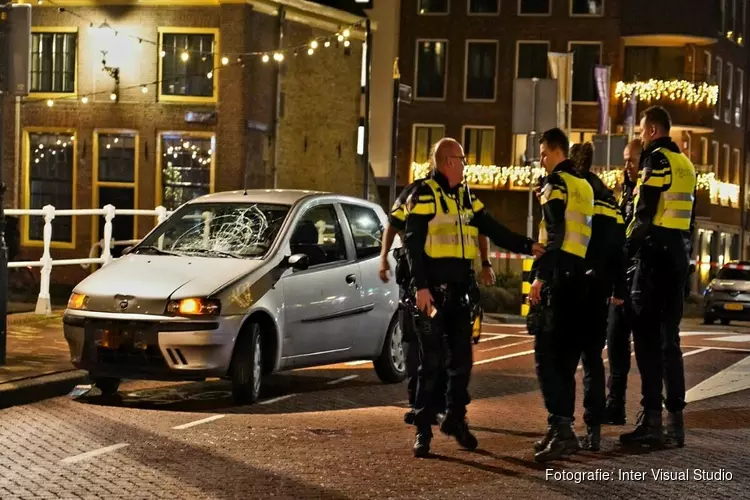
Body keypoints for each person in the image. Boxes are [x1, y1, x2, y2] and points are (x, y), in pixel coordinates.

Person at [403, 137, 544, 457]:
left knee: (462, 362)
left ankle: (455, 417)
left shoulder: (466, 197)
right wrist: (421, 287)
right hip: (433, 294)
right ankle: (423, 430)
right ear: (448, 162)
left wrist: (527, 246)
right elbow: (412, 244)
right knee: (432, 363)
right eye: (463, 159)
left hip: (459, 293)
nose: (467, 164)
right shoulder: (425, 194)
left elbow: (493, 228)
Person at [379, 179, 494, 425]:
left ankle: (440, 404)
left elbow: (481, 228)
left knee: (443, 345)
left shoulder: (462, 196)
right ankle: (419, 404)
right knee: (414, 338)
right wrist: (383, 258)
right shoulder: (416, 192)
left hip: (451, 284)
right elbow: (393, 223)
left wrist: (485, 262)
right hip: (416, 281)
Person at [620, 106, 696, 448]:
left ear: (652, 130)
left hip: (654, 259)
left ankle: (651, 420)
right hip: (678, 257)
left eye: (640, 131)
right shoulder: (687, 166)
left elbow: (644, 215)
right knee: (671, 340)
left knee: (647, 340)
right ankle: (674, 423)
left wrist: (623, 254)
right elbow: (688, 220)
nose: (639, 136)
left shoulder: (656, 161)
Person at [527, 128, 594, 462]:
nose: (540, 161)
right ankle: (561, 428)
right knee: (566, 362)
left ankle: (562, 430)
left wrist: (539, 278)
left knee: (546, 358)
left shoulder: (554, 184)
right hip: (579, 280)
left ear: (554, 151)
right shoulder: (584, 185)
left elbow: (554, 233)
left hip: (556, 280)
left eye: (542, 154)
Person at [567, 142, 626, 451]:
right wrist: (618, 288)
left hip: (574, 284)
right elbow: (619, 245)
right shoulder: (607, 196)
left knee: (563, 356)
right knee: (593, 357)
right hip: (600, 287)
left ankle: (561, 427)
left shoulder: (574, 190)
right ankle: (594, 430)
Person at [603, 138, 641, 425]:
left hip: (642, 278)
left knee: (648, 346)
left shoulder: (649, 192)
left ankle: (653, 411)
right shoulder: (626, 192)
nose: (626, 166)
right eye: (625, 160)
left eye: (632, 160)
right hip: (622, 278)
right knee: (616, 341)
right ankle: (615, 404)